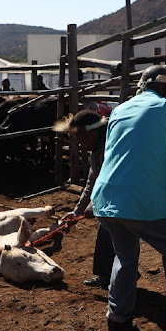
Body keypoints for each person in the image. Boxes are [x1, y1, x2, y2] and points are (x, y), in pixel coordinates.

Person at [91, 65, 166, 331]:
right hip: (142, 199)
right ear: (164, 87)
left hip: (106, 199)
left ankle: (117, 315)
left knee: (125, 256)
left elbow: (115, 154)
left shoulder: (119, 110)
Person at [54, 109, 115, 288]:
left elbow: (110, 182)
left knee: (114, 233)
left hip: (124, 200)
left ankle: (123, 274)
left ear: (94, 132)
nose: (79, 142)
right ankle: (108, 274)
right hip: (112, 204)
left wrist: (94, 205)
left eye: (81, 137)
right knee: (106, 231)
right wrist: (77, 211)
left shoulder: (109, 150)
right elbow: (92, 182)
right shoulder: (96, 151)